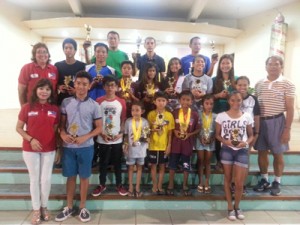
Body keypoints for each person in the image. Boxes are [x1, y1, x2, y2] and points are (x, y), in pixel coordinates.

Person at [55, 71, 102, 223]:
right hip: (68, 147)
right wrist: (62, 135)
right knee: (70, 177)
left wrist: (85, 137)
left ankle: (82, 207)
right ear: (74, 84)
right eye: (79, 83)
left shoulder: (95, 105)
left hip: (86, 146)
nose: (81, 87)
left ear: (89, 86)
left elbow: (99, 128)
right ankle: (69, 206)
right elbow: (61, 126)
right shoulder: (66, 102)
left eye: (85, 84)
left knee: (84, 177)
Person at [16, 78, 59, 225]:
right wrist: (31, 140)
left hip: (49, 149)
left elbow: (55, 129)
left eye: (47, 89)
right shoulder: (27, 107)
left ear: (50, 92)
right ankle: (35, 210)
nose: (44, 92)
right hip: (30, 149)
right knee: (34, 180)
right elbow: (19, 128)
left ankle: (44, 207)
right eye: (41, 88)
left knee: (45, 180)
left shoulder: (54, 109)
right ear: (35, 90)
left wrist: (57, 147)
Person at [253, 56, 295, 196]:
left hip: (277, 121)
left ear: (281, 66)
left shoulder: (287, 84)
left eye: (276, 64)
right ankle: (264, 179)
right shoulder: (259, 84)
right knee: (261, 152)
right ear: (266, 67)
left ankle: (277, 181)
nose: (273, 67)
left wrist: (287, 130)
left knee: (278, 154)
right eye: (270, 64)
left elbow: (290, 108)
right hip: (261, 122)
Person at [215, 91, 254, 221]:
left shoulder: (247, 116)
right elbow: (217, 135)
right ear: (228, 101)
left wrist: (246, 143)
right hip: (227, 149)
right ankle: (229, 207)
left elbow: (251, 135)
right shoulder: (221, 116)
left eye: (238, 100)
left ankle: (237, 206)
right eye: (232, 100)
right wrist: (225, 141)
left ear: (241, 100)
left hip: (241, 150)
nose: (236, 103)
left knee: (238, 182)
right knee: (227, 178)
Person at [92, 76, 128, 197]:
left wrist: (121, 134)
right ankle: (102, 184)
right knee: (103, 163)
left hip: (117, 139)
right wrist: (101, 133)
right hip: (102, 138)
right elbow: (96, 120)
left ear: (117, 87)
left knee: (118, 163)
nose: (110, 88)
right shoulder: (98, 101)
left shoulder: (121, 102)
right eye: (108, 85)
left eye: (113, 85)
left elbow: (123, 120)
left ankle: (119, 184)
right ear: (104, 87)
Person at [166, 90, 200, 196]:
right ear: (180, 100)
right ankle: (170, 184)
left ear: (192, 101)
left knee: (186, 165)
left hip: (187, 144)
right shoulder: (174, 112)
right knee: (172, 165)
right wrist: (175, 131)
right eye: (183, 99)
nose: (185, 102)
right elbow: (170, 127)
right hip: (175, 143)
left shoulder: (194, 114)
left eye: (188, 100)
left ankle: (185, 185)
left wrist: (189, 135)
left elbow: (198, 129)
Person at [212, 54, 238, 171]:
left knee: (230, 135)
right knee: (218, 137)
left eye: (228, 63)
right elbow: (208, 97)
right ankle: (219, 160)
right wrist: (219, 95)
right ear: (219, 65)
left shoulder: (236, 80)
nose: (225, 65)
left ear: (232, 65)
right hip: (217, 112)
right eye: (223, 63)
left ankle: (230, 160)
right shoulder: (214, 80)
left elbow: (240, 96)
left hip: (231, 113)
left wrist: (230, 96)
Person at [147, 91, 175, 194]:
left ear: (167, 102)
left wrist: (169, 146)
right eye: (159, 100)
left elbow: (170, 133)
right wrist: (153, 131)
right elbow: (148, 130)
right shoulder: (151, 115)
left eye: (163, 101)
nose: (161, 103)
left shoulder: (169, 116)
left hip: (164, 146)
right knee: (153, 166)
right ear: (154, 102)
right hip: (153, 145)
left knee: (162, 166)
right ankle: (154, 184)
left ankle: (160, 184)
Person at [123, 101, 150, 197]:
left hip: (141, 149)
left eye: (137, 110)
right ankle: (130, 186)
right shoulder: (128, 121)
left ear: (142, 111)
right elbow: (126, 134)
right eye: (133, 110)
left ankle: (137, 187)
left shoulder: (145, 122)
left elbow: (147, 136)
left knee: (139, 168)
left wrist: (145, 138)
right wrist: (125, 143)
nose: (135, 112)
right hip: (130, 149)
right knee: (130, 168)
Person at [195, 94, 217, 194]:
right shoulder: (198, 114)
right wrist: (200, 138)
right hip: (200, 140)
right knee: (200, 161)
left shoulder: (216, 116)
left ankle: (207, 182)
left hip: (210, 141)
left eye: (211, 104)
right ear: (202, 104)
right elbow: (196, 128)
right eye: (207, 103)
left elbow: (217, 130)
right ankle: (200, 181)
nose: (209, 106)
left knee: (207, 162)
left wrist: (212, 139)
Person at [55, 38, 86, 105]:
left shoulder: (82, 66)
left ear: (75, 50)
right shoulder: (57, 65)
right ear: (63, 50)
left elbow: (85, 83)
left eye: (70, 48)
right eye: (66, 48)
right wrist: (59, 87)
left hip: (77, 99)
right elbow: (54, 82)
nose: (68, 50)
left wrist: (76, 91)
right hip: (61, 99)